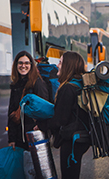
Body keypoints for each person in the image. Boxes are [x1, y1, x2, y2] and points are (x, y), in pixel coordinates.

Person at [37, 51, 90, 179]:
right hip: (82, 137)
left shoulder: (68, 88)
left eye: (60, 62)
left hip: (72, 140)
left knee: (69, 176)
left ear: (68, 66)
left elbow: (59, 119)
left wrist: (41, 126)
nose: (57, 65)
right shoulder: (80, 84)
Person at [8, 51, 49, 151]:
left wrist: (40, 127)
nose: (23, 66)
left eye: (27, 63)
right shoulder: (16, 85)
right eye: (20, 63)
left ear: (31, 65)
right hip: (19, 136)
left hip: (34, 135)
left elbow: (44, 108)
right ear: (16, 65)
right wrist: (12, 139)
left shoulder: (37, 83)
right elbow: (12, 111)